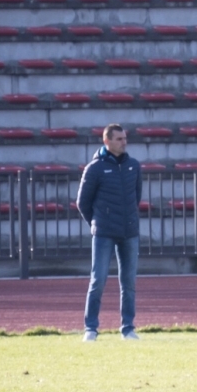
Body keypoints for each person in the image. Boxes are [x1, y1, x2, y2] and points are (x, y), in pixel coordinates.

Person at [77, 124, 142, 342]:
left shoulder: (133, 165)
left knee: (129, 282)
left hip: (129, 232)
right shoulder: (94, 168)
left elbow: (136, 197)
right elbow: (82, 203)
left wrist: (129, 219)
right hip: (104, 233)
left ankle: (128, 328)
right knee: (98, 280)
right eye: (119, 139)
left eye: (125, 138)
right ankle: (91, 329)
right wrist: (97, 223)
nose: (124, 142)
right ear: (107, 141)